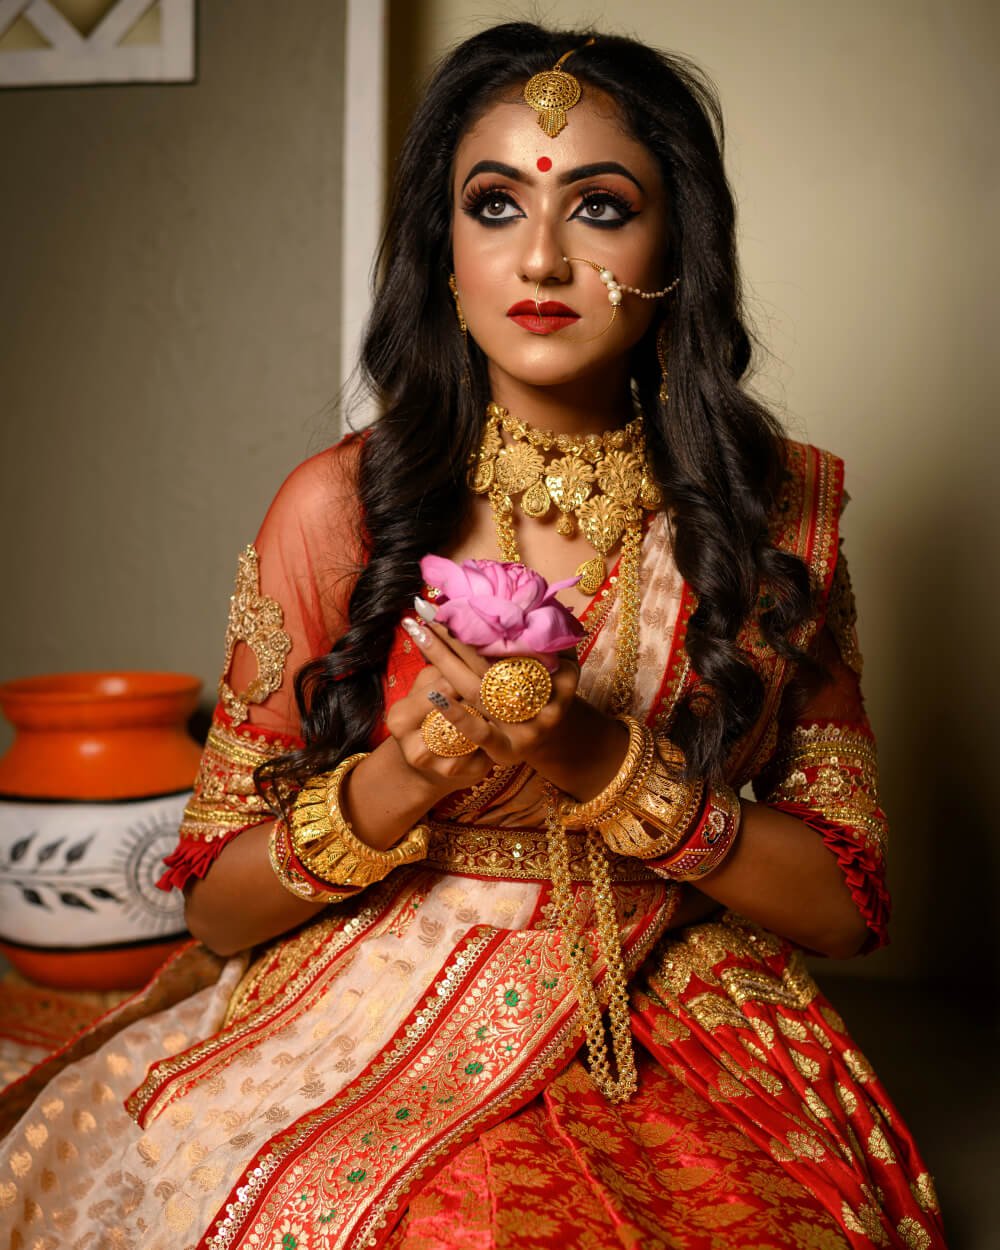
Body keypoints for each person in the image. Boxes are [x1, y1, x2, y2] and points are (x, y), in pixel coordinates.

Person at [0, 22, 944, 1250]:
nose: (540, 254)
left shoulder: (772, 516)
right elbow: (218, 912)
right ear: (441, 252)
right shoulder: (340, 508)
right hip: (357, 995)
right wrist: (401, 779)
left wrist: (609, 768)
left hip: (667, 999)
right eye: (492, 204)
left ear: (676, 252)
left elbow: (841, 904)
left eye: (601, 207)